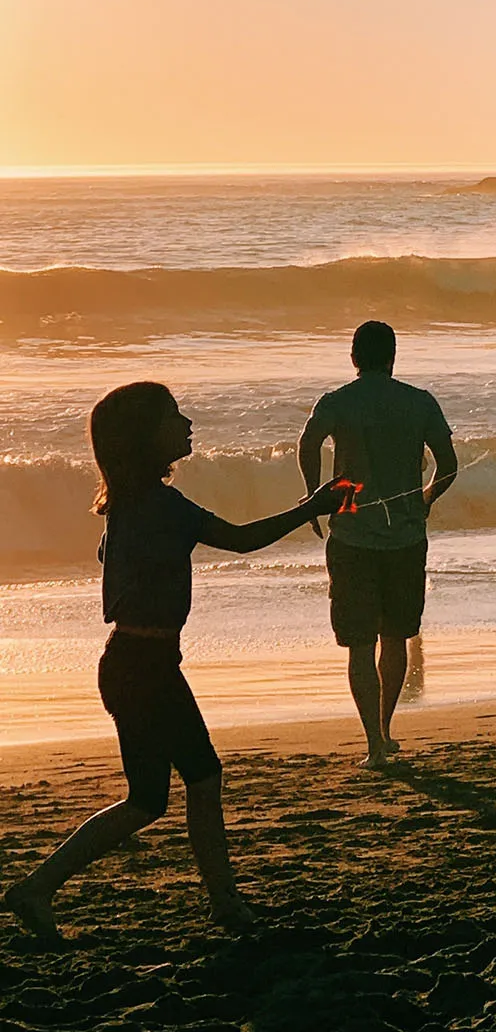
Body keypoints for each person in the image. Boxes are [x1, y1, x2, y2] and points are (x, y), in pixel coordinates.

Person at [3, 382, 344, 941]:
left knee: (151, 798)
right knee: (197, 779)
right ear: (145, 437)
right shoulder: (162, 506)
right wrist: (313, 507)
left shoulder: (128, 504)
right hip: (145, 668)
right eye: (174, 416)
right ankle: (222, 903)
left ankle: (40, 889)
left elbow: (114, 560)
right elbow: (241, 540)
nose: (187, 423)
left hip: (132, 662)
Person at [298, 320, 457, 767]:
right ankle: (386, 730)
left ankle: (373, 741)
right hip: (406, 535)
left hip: (351, 532)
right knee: (396, 636)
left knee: (360, 643)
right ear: (393, 357)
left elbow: (307, 442)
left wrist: (314, 496)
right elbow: (448, 464)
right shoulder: (419, 401)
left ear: (354, 357)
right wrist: (425, 499)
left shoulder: (337, 401)